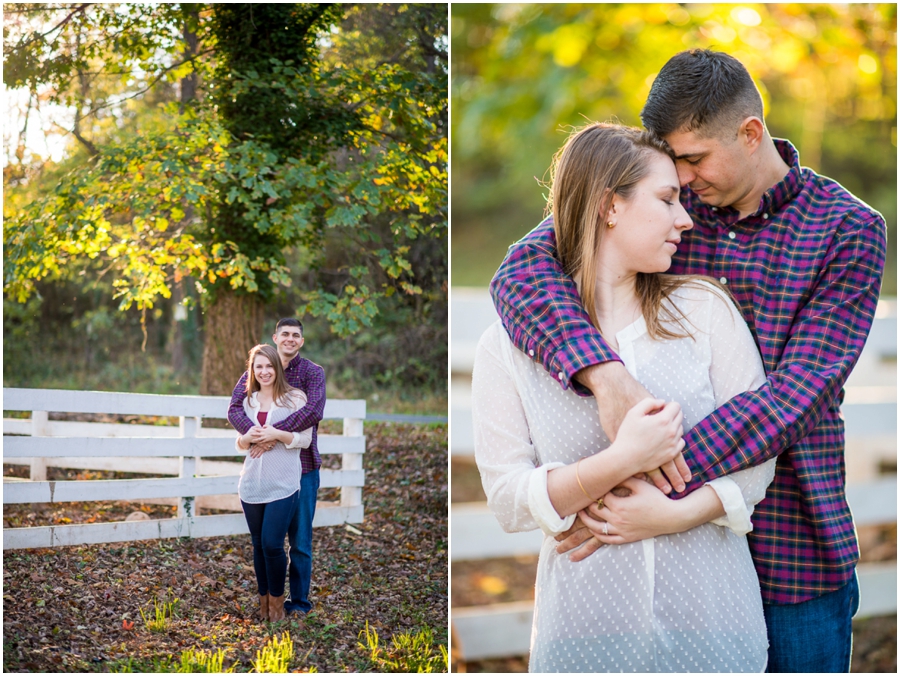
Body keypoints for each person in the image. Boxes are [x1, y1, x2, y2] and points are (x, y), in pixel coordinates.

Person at [489, 49, 886, 673]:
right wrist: (606, 376)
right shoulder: (670, 205)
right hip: (654, 560)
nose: (686, 181)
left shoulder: (845, 230)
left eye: (695, 159)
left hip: (790, 540)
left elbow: (797, 395)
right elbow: (521, 272)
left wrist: (642, 472)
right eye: (674, 165)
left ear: (750, 133)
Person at [474, 122, 777, 672]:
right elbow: (508, 498)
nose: (685, 219)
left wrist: (673, 515)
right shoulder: (506, 346)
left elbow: (757, 458)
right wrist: (621, 461)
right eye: (666, 199)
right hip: (585, 633)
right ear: (609, 205)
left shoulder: (704, 312)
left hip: (713, 624)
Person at [228, 318, 326, 618]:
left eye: (296, 335)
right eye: (285, 334)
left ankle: (298, 603)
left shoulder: (311, 373)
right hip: (261, 471)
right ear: (275, 337)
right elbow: (235, 407)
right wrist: (254, 435)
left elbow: (313, 411)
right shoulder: (262, 366)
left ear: (302, 340)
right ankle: (269, 602)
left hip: (303, 467)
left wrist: (272, 433)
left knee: (299, 541)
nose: (290, 339)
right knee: (265, 544)